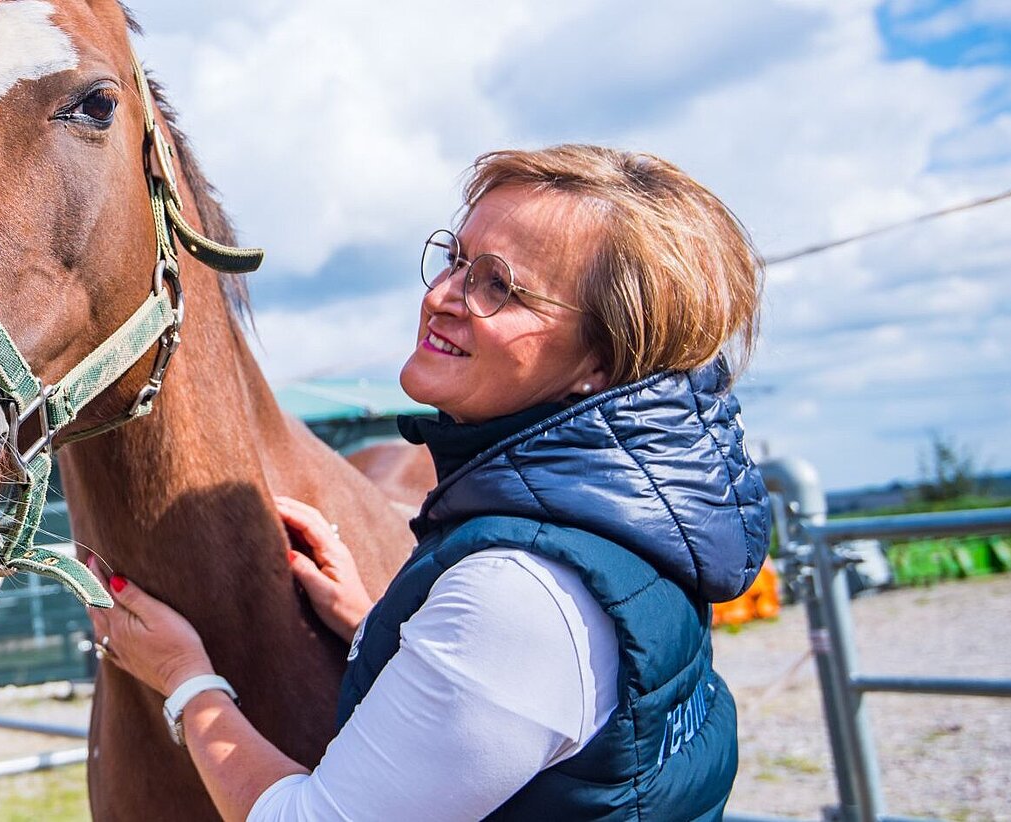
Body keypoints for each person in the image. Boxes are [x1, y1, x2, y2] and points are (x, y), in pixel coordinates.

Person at [87, 144, 770, 821]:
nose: (442, 297)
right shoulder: (625, 528)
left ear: (602, 358)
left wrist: (186, 680)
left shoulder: (518, 596)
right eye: (455, 261)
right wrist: (375, 626)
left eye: (499, 285)